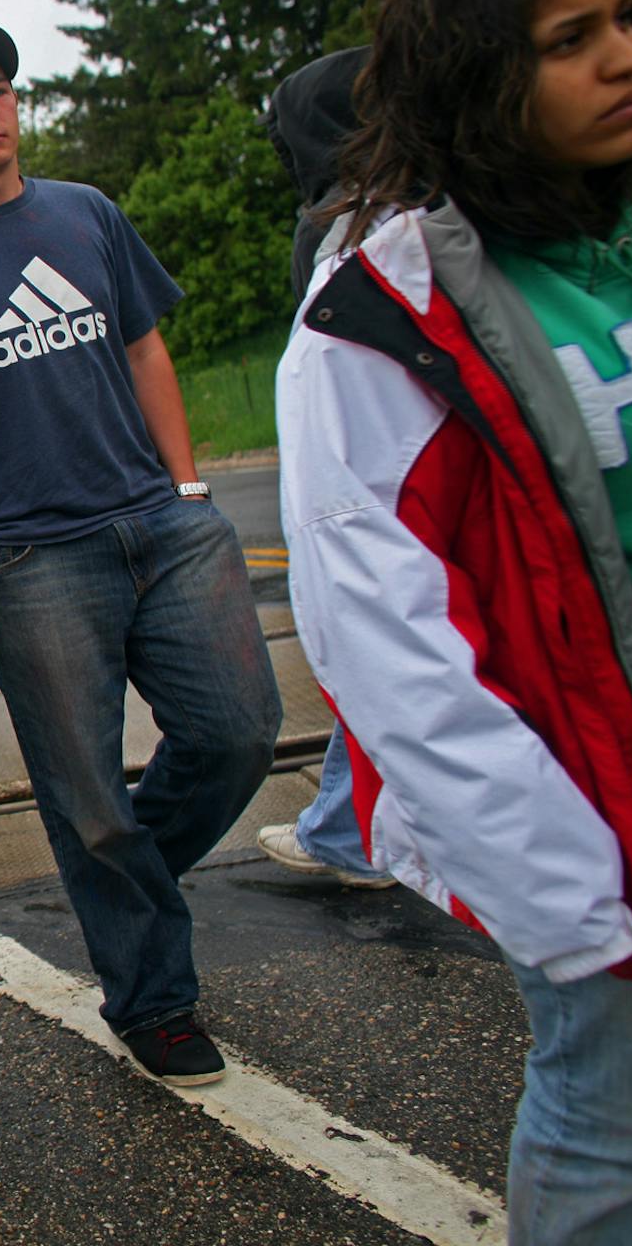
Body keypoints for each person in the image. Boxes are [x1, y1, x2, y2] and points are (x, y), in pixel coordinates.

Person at [275, 0, 632, 1243]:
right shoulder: (380, 316)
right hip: (599, 805)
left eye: (625, 18)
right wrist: (565, 894)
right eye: (569, 38)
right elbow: (385, 639)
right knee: (616, 1120)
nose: (623, 57)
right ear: (479, 75)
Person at [0, 22, 281, 1086]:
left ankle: (127, 878)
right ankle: (153, 1001)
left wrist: (189, 489)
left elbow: (144, 343)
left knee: (238, 733)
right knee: (85, 794)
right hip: (25, 556)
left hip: (161, 524)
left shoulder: (86, 212)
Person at [251, 47, 395, 890]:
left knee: (375, 652)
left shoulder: (338, 231)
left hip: (377, 494)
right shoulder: (430, 208)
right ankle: (346, 824)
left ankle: (347, 829)